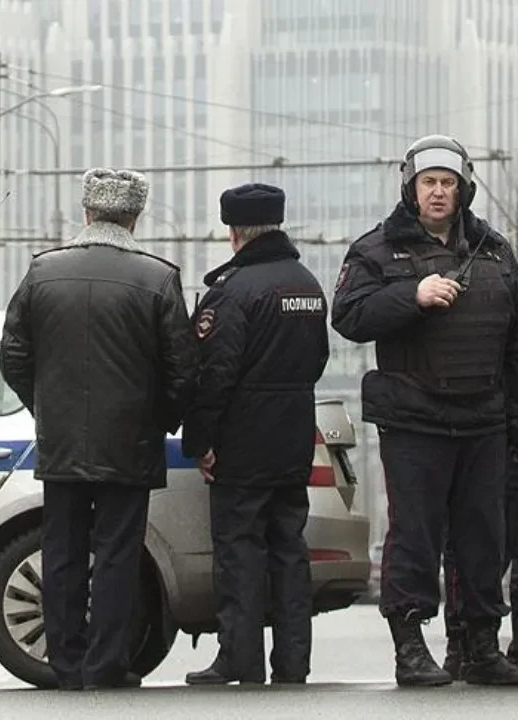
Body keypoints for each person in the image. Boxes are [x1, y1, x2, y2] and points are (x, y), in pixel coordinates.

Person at [0, 168, 198, 690]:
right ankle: (106, 664)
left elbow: (13, 355)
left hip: (61, 442)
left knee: (61, 551)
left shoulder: (43, 272)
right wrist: (160, 421)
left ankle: (66, 664)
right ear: (134, 218)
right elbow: (182, 370)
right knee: (117, 554)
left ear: (86, 213)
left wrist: (45, 409)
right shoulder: (157, 278)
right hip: (131, 444)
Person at [330, 134, 518, 687]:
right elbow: (350, 316)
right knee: (414, 535)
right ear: (411, 189)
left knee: (486, 537)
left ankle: (480, 645)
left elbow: (513, 344)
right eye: (429, 183)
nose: (439, 193)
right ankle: (410, 647)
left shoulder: (494, 250)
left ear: (465, 190)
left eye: (448, 183)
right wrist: (411, 295)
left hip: (484, 418)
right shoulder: (377, 250)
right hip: (415, 421)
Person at [180, 183, 329, 686]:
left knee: (240, 554)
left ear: (233, 233)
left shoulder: (234, 292)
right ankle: (293, 664)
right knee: (290, 551)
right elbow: (319, 360)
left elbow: (214, 375)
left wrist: (199, 442)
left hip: (243, 445)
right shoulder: (307, 284)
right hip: (292, 438)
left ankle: (239, 659)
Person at [442, 449, 518, 676]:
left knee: (479, 541)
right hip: (493, 437)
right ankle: (464, 644)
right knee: (477, 540)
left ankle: (466, 645)